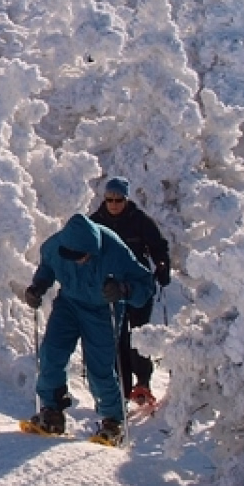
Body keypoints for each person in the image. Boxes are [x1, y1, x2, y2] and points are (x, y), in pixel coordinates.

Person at [21, 212, 156, 444]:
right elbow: (48, 268)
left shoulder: (115, 251)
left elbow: (146, 285)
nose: (77, 260)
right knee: (51, 352)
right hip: (68, 303)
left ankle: (113, 421)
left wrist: (124, 290)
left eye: (82, 256)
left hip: (102, 309)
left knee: (99, 367)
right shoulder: (54, 246)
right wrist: (38, 286)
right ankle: (52, 410)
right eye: (71, 256)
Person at [88, 176, 173, 411]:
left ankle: (143, 382)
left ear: (126, 199)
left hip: (138, 286)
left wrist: (163, 267)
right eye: (110, 199)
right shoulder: (95, 222)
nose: (114, 204)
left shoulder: (139, 220)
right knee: (117, 337)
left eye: (118, 200)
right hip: (111, 289)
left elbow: (158, 246)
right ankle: (122, 389)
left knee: (138, 334)